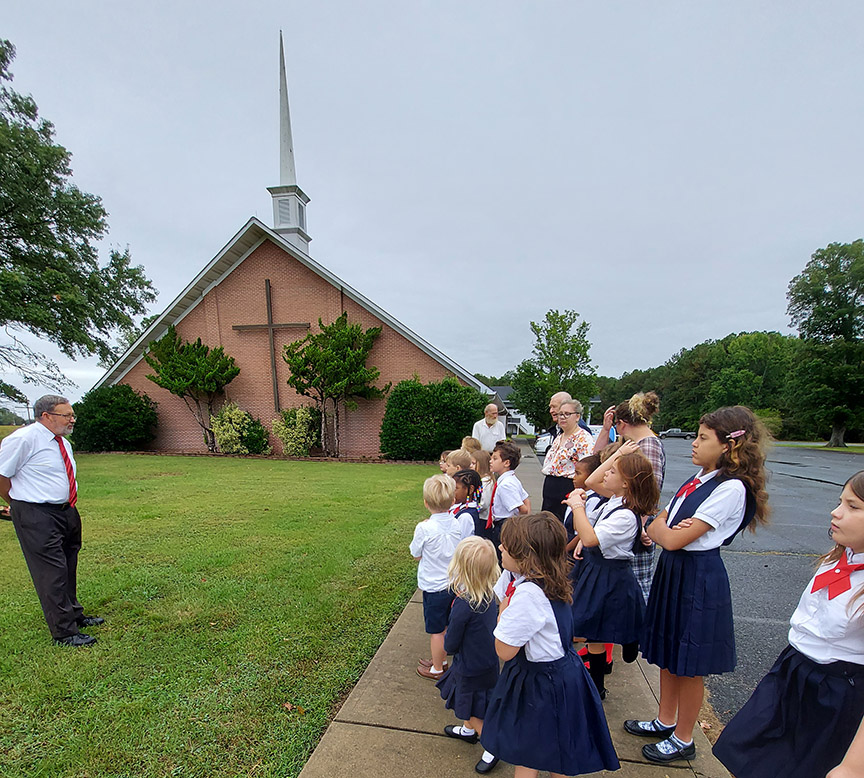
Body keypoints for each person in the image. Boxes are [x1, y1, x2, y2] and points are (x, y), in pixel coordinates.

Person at [624, 405, 770, 764]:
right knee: (670, 654)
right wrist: (662, 530)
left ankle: (684, 737)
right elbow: (659, 524)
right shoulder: (700, 480)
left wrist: (662, 531)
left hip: (698, 576)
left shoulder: (732, 488)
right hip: (676, 570)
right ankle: (666, 719)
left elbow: (669, 537)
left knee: (689, 661)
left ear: (728, 446)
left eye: (703, 438)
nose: (693, 443)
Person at [713, 470, 864, 778]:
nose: (836, 512)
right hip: (792, 674)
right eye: (840, 502)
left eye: (853, 506)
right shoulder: (838, 559)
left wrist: (853, 765)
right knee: (744, 752)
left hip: (833, 694)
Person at [480, 513, 619, 778]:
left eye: (506, 546)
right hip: (564, 674)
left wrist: (503, 611)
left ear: (526, 557)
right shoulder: (547, 578)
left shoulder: (527, 596)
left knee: (528, 750)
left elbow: (504, 650)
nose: (500, 547)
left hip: (541, 684)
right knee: (560, 749)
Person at [0, 394, 104, 647]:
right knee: (51, 571)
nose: (72, 420)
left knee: (68, 564)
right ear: (46, 416)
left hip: (66, 510)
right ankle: (64, 631)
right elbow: (2, 475)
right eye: (66, 415)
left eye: (72, 415)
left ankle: (74, 615)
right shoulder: (22, 439)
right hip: (36, 513)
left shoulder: (62, 442)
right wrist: (16, 504)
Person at [566, 444, 659, 699]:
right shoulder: (616, 498)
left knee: (584, 623)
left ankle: (630, 638)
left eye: (613, 471)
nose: (605, 474)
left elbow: (590, 537)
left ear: (626, 483)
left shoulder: (626, 515)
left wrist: (577, 506)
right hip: (595, 568)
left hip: (609, 575)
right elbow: (593, 478)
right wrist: (617, 456)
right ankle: (596, 686)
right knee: (594, 632)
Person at [590, 392, 666, 602]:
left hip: (630, 528)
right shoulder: (632, 444)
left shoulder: (647, 446)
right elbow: (595, 460)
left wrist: (639, 528)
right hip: (621, 521)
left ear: (622, 424)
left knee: (634, 589)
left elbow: (648, 493)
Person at [437, 536, 502, 774]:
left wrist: (448, 646)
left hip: (469, 667)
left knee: (470, 708)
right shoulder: (489, 595)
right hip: (488, 662)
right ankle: (467, 731)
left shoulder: (463, 605)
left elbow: (452, 642)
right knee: (478, 700)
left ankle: (492, 745)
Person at [411, 474, 462, 680]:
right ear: (452, 501)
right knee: (447, 625)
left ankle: (437, 669)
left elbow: (416, 554)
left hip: (433, 587)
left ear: (425, 503)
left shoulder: (424, 528)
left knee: (437, 630)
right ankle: (440, 658)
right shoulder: (457, 523)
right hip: (453, 583)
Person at [540, 399, 593, 522]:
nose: (562, 417)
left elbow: (586, 467)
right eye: (560, 414)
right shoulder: (560, 436)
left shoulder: (583, 438)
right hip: (550, 488)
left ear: (577, 416)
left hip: (567, 487)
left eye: (567, 414)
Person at [483, 441, 530, 555]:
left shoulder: (506, 485)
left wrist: (525, 517)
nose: (490, 461)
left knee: (501, 556)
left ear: (506, 463)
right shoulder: (511, 479)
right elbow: (526, 498)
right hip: (507, 523)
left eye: (494, 459)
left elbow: (522, 508)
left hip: (505, 525)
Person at [451, 468, 482, 539]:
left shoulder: (466, 517)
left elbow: (459, 541)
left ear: (470, 489)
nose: (451, 492)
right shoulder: (460, 508)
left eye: (455, 488)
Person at [470, 450, 493, 527]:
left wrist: (472, 509)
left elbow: (484, 503)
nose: (470, 466)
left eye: (473, 463)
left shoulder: (486, 482)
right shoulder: (479, 480)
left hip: (483, 519)